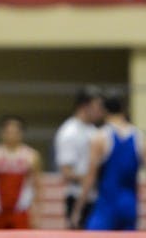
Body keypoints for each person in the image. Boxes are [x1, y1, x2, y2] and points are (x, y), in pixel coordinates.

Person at [71, 92, 146, 231]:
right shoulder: (139, 138)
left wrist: (78, 209)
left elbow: (90, 178)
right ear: (124, 110)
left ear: (104, 111)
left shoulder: (100, 137)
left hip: (107, 206)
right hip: (130, 207)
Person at [53, 85, 104, 229]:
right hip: (77, 196)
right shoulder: (69, 132)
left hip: (96, 197)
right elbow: (66, 172)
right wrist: (91, 178)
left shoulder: (94, 131)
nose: (101, 111)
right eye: (97, 106)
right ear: (84, 106)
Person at [0, 116, 43, 230]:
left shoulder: (31, 156)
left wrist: (37, 214)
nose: (11, 135)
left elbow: (37, 186)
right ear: (2, 133)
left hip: (21, 209)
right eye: (8, 132)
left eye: (15, 132)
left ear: (21, 134)